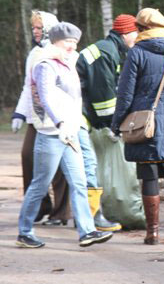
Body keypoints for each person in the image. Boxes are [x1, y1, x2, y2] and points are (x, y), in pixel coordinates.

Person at [17, 22, 113, 248]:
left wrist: (75, 125)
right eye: (68, 41)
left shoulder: (68, 63)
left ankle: (87, 231)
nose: (72, 46)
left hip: (70, 132)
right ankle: (24, 231)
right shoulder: (45, 64)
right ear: (56, 41)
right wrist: (59, 122)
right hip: (52, 134)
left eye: (75, 42)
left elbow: (74, 99)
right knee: (40, 184)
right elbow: (46, 96)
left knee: (79, 183)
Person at [111, 8, 164, 245]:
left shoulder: (136, 53)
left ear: (143, 28)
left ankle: (153, 233)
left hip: (144, 123)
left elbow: (125, 95)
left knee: (148, 176)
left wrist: (117, 124)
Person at [76, 14, 140, 232]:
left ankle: (86, 215)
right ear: (126, 33)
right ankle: (93, 217)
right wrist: (112, 126)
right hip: (83, 119)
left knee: (86, 169)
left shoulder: (108, 49)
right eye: (136, 33)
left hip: (81, 116)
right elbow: (104, 99)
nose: (138, 38)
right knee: (91, 169)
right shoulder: (105, 53)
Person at [11, 10, 70, 226]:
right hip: (37, 116)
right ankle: (38, 206)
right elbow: (29, 86)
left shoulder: (61, 51)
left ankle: (61, 212)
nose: (35, 31)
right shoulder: (34, 54)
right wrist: (19, 112)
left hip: (59, 115)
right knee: (28, 156)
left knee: (60, 163)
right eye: (33, 28)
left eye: (38, 28)